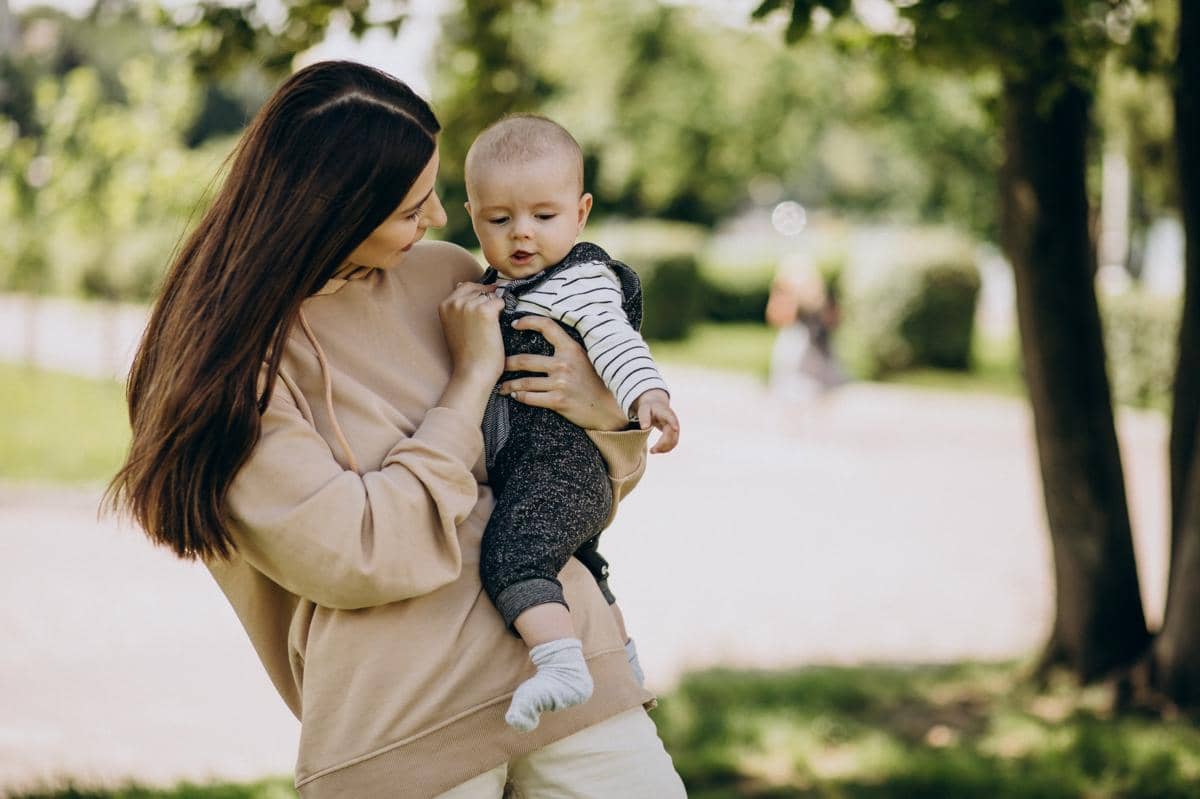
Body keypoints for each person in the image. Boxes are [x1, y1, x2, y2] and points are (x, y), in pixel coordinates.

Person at [106, 61, 686, 799]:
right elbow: (362, 554)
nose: (442, 220)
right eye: (413, 206)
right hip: (405, 724)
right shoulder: (225, 372)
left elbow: (573, 475)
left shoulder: (449, 278)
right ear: (333, 213)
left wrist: (601, 410)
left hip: (566, 669)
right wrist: (469, 380)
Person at [461, 114, 680, 733]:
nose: (521, 233)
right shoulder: (503, 285)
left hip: (561, 465)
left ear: (580, 213)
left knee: (514, 554)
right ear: (473, 215)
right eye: (499, 220)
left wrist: (647, 394)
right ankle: (626, 666)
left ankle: (560, 665)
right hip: (543, 467)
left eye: (543, 216)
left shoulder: (579, 280)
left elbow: (615, 341)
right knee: (586, 563)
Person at [766, 252, 846, 402]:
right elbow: (777, 318)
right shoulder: (784, 293)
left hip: (820, 354)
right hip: (796, 352)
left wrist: (818, 304)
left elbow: (834, 322)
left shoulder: (822, 297)